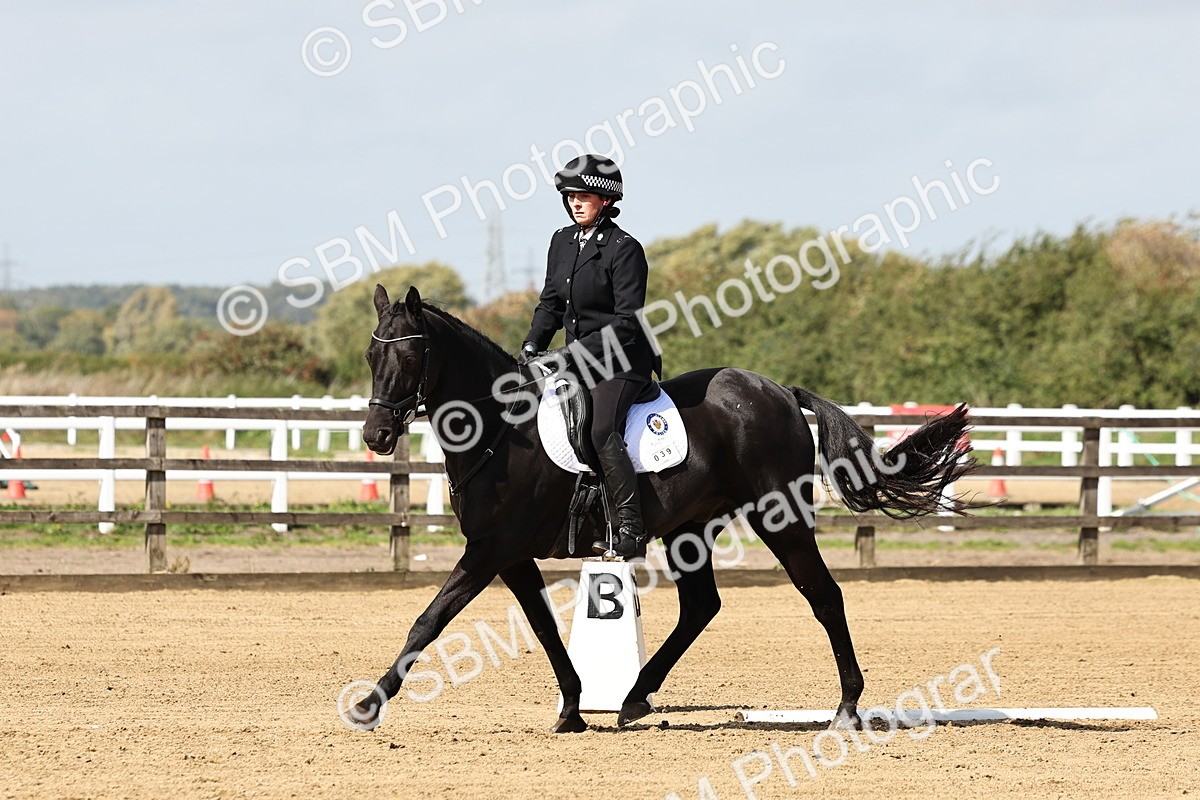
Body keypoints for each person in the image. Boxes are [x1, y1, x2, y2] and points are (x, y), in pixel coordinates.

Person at [517, 154, 662, 557]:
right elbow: (550, 303)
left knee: (599, 430)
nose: (575, 202)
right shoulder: (561, 241)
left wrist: (570, 355)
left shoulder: (625, 249)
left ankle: (632, 528)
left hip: (622, 361)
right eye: (570, 196)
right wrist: (532, 343)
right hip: (573, 359)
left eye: (584, 196)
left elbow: (628, 323)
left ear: (605, 200)